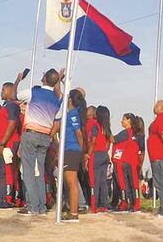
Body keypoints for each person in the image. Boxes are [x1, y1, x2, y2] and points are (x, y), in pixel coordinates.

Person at [15, 68, 64, 216]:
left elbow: (13, 95)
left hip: (31, 134)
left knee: (28, 172)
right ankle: (41, 206)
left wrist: (18, 80)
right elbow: (57, 121)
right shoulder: (57, 100)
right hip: (45, 136)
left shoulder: (34, 92)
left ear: (44, 79)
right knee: (39, 172)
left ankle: (33, 206)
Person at [0, 82, 21, 208]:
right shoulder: (5, 105)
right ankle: (2, 197)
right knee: (0, 171)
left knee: (8, 170)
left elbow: (12, 123)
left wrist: (3, 143)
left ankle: (9, 199)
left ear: (10, 91)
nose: (1, 92)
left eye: (3, 90)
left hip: (8, 141)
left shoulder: (12, 106)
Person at [61, 89, 86, 223]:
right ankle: (72, 210)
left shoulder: (73, 114)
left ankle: (74, 213)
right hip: (68, 149)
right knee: (69, 181)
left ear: (70, 100)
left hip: (72, 149)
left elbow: (79, 133)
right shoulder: (69, 113)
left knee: (71, 182)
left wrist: (80, 150)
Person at [85, 104, 112, 213]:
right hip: (104, 155)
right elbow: (108, 143)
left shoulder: (95, 126)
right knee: (103, 182)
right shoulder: (107, 128)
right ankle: (103, 205)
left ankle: (93, 206)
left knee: (93, 182)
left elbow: (93, 141)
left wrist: (88, 154)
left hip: (95, 154)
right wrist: (105, 152)